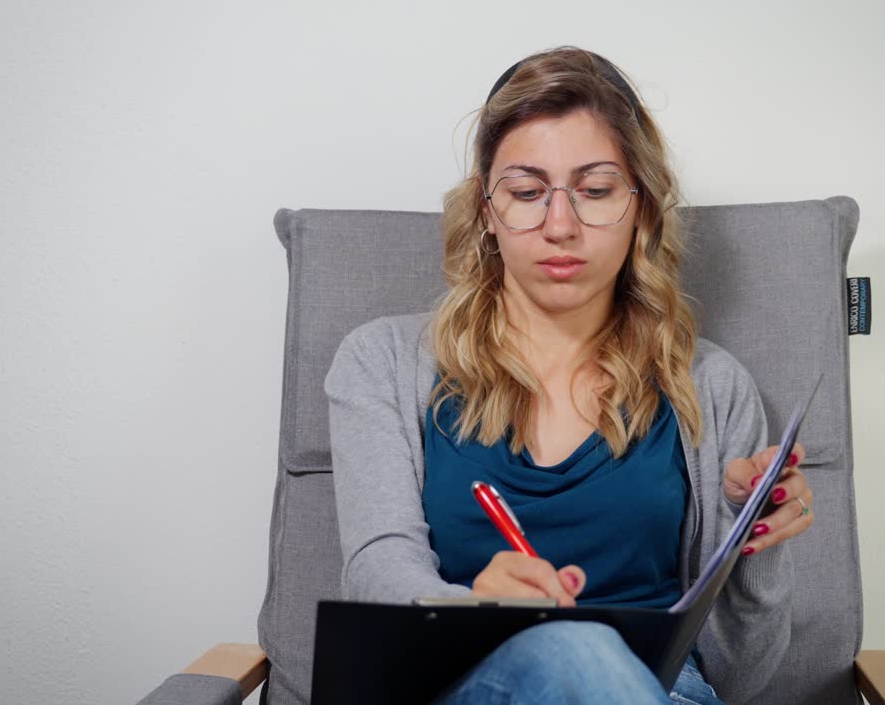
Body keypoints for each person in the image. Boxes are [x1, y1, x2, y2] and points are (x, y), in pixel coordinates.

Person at [324, 46, 815, 704]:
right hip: (459, 687)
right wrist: (476, 610)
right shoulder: (380, 363)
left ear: (641, 209)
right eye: (527, 193)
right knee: (573, 647)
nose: (561, 225)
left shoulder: (713, 387)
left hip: (666, 692)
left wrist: (753, 547)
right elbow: (379, 571)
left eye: (596, 190)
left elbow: (742, 678)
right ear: (487, 212)